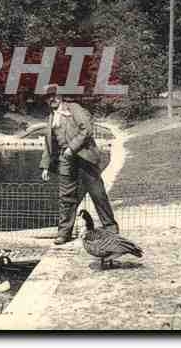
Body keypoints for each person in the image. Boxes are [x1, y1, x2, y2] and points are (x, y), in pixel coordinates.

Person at [39, 85, 118, 245]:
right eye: (48, 97)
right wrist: (46, 165)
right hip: (65, 160)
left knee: (97, 193)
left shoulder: (74, 108)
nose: (52, 99)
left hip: (84, 157)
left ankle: (110, 228)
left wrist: (72, 148)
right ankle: (64, 233)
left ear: (60, 96)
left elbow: (87, 130)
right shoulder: (50, 117)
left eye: (54, 95)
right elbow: (49, 144)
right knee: (66, 196)